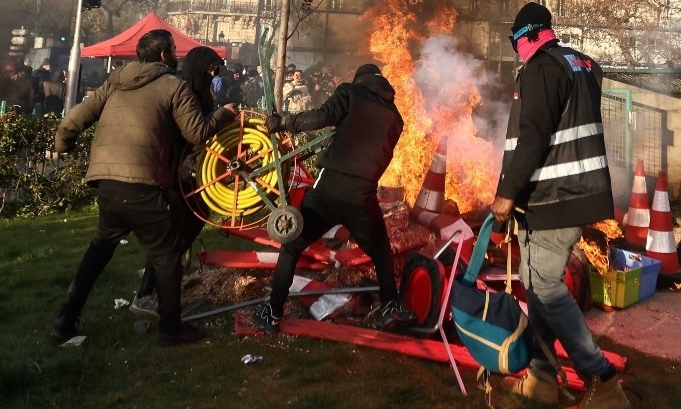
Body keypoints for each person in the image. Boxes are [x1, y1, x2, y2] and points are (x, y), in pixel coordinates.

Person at [51, 29, 238, 346]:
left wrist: (63, 142)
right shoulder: (173, 86)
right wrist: (224, 114)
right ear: (165, 55)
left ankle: (65, 321)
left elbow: (76, 118)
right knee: (167, 256)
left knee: (100, 249)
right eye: (174, 51)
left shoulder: (115, 79)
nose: (176, 56)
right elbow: (197, 132)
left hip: (107, 182)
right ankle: (171, 329)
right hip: (145, 183)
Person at [490, 2, 628, 409]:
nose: (516, 51)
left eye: (516, 42)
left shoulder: (541, 68)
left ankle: (602, 378)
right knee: (535, 288)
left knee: (547, 288)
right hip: (567, 195)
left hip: (553, 198)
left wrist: (507, 193)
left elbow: (533, 136)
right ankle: (542, 378)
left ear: (530, 35)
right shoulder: (581, 64)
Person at [255, 63, 417, 333]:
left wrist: (284, 122)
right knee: (380, 251)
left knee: (293, 246)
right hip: (363, 195)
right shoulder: (396, 118)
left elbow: (322, 117)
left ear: (360, 80)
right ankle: (390, 307)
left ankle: (272, 312)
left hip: (329, 189)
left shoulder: (350, 93)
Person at [130, 47, 226, 317]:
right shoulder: (181, 91)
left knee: (193, 220)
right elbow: (188, 132)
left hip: (189, 172)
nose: (213, 73)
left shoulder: (204, 94)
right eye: (208, 68)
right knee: (170, 236)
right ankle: (148, 293)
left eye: (215, 69)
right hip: (170, 171)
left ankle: (161, 289)